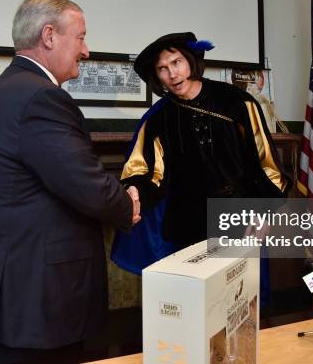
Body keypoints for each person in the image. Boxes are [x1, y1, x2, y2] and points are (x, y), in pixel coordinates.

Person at [0, 0, 140, 364]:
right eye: (80, 37)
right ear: (49, 36)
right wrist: (127, 204)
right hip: (39, 296)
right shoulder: (40, 98)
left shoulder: (5, 89)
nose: (87, 51)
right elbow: (85, 184)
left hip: (16, 286)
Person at [111, 32, 291, 274]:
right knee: (193, 299)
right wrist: (134, 188)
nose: (172, 74)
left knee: (236, 298)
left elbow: (266, 161)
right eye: (163, 68)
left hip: (238, 217)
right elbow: (146, 170)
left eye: (176, 62)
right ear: (157, 77)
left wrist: (265, 210)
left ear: (190, 60)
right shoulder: (157, 119)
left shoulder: (238, 103)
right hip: (187, 224)